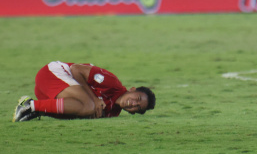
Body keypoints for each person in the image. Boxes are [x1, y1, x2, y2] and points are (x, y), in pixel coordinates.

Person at [13, 61, 155, 121]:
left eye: (137, 108)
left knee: (84, 110)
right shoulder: (112, 83)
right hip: (51, 74)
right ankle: (30, 105)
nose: (133, 104)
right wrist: (94, 99)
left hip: (48, 95)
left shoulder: (113, 112)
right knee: (89, 105)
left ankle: (38, 109)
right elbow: (76, 69)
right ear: (132, 90)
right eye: (138, 99)